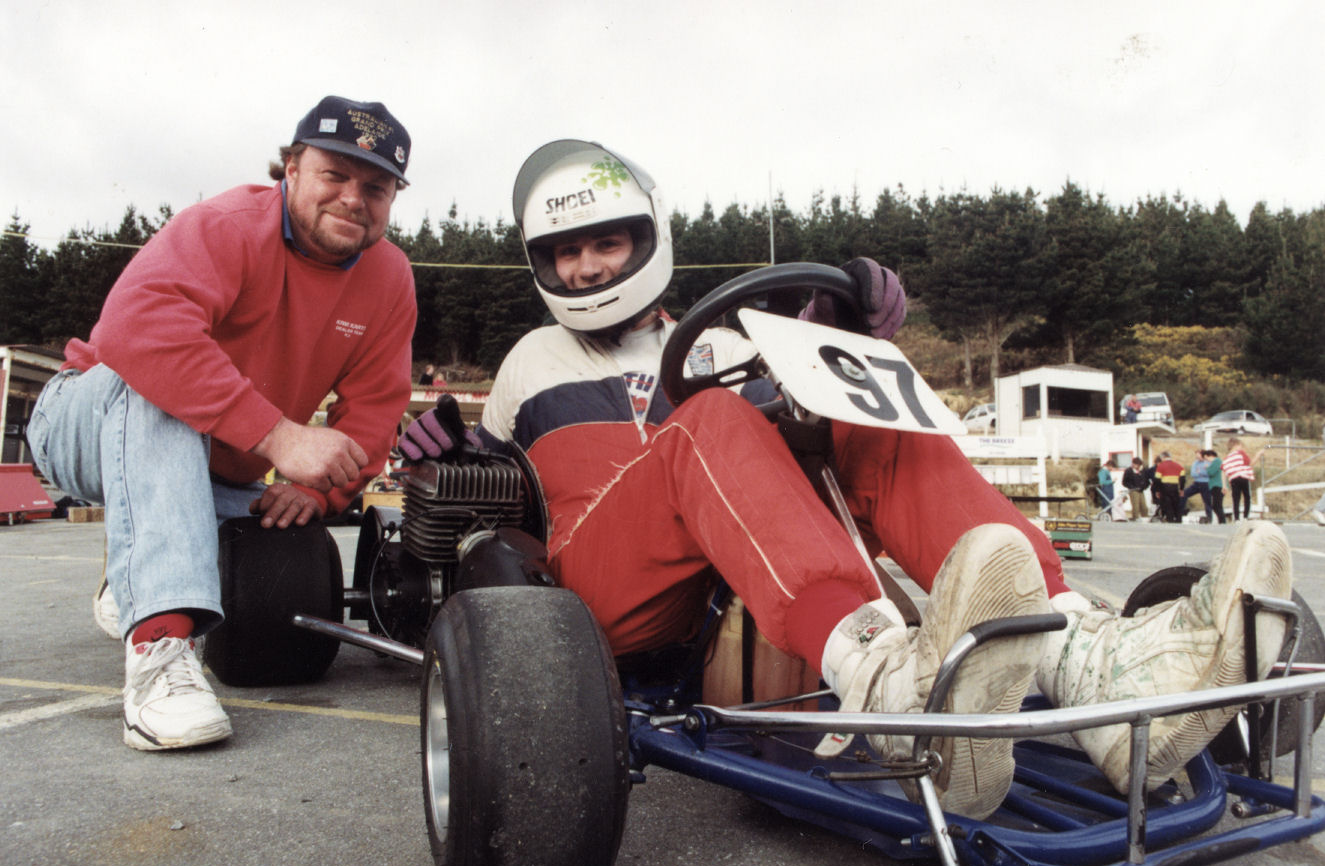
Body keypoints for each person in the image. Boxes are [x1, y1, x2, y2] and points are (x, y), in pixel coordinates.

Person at [401, 139, 1291, 819]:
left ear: (648, 241)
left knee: (860, 415)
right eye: (566, 253)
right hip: (596, 599)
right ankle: (879, 678)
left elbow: (802, 434)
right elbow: (499, 496)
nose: (588, 267)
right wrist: (443, 459)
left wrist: (842, 339)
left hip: (731, 588)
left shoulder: (725, 345)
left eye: (606, 242)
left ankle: (1086, 661)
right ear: (540, 263)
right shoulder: (530, 357)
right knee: (708, 422)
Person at [26, 96, 418, 752]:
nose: (354, 198)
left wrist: (321, 493)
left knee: (253, 512)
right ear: (290, 168)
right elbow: (136, 330)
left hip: (206, 469)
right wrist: (279, 437)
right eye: (334, 175)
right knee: (159, 378)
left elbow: (376, 407)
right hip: (84, 421)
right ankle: (158, 657)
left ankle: (140, 569)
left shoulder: (389, 278)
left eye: (376, 187)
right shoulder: (231, 225)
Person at [1223, 437, 1262, 521]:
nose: (1241, 448)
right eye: (1240, 446)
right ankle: (1245, 516)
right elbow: (1250, 463)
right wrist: (1258, 455)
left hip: (1233, 479)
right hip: (1243, 477)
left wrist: (1224, 485)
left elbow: (1223, 470)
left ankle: (1236, 518)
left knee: (1236, 498)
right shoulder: (1240, 453)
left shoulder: (1226, 458)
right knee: (1247, 497)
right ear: (1236, 445)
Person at [1180, 450, 1213, 523]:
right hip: (1196, 483)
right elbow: (1193, 474)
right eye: (1196, 456)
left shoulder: (1208, 462)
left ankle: (1209, 517)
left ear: (1203, 455)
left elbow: (1209, 473)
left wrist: (1200, 472)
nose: (1197, 457)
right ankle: (1182, 511)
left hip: (1205, 484)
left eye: (1198, 455)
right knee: (1184, 494)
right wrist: (1202, 472)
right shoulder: (1195, 463)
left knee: (1207, 501)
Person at [1155, 451, 1185, 522]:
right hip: (1175, 487)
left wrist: (1157, 490)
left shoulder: (1160, 466)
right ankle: (1178, 520)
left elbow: (1157, 480)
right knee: (1176, 504)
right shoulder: (1179, 466)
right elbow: (1183, 479)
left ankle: (1170, 520)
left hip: (1165, 487)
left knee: (1167, 505)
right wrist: (1181, 489)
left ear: (1163, 457)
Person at [1205, 448, 1226, 524]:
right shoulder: (1217, 462)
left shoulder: (1217, 461)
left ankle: (1222, 521)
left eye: (1206, 458)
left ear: (1210, 456)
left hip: (1217, 486)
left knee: (1217, 505)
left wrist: (1207, 468)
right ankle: (1222, 521)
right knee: (1217, 505)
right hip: (1216, 486)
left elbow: (1210, 472)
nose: (1206, 461)